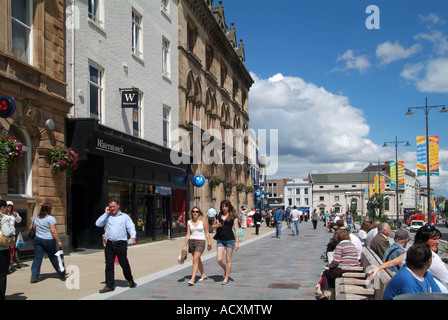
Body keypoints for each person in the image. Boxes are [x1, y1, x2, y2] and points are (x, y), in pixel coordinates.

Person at [95, 199, 137, 293]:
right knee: (109, 265)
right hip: (110, 244)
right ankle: (109, 285)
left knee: (124, 263)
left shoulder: (124, 217)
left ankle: (130, 280)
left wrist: (133, 236)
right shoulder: (107, 216)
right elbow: (98, 224)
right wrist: (105, 213)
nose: (112, 208)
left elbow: (131, 227)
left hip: (121, 244)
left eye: (113, 206)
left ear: (118, 206)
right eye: (110, 207)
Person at [318, 229, 360, 300]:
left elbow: (336, 261)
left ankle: (325, 293)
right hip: (354, 269)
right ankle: (332, 294)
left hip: (343, 269)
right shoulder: (352, 245)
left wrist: (330, 265)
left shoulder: (340, 245)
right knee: (332, 274)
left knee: (325, 273)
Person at [30, 203, 66, 284]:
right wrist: (59, 241)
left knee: (37, 258)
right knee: (53, 257)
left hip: (38, 239)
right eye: (51, 208)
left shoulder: (36, 217)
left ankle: (34, 276)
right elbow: (53, 231)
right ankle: (61, 273)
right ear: (48, 210)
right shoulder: (50, 218)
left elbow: (33, 227)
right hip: (48, 240)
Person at [182, 207, 212, 286]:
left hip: (200, 242)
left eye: (197, 211)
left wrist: (209, 242)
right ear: (191, 213)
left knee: (195, 260)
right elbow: (188, 234)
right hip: (192, 242)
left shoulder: (203, 221)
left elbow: (207, 233)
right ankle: (202, 274)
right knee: (197, 260)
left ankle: (192, 279)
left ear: (199, 213)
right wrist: (184, 246)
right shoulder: (189, 222)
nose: (195, 213)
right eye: (193, 211)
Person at [213, 200, 239, 285]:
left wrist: (237, 242)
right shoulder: (218, 215)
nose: (224, 208)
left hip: (230, 240)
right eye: (223, 206)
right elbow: (212, 227)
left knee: (228, 259)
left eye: (226, 206)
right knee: (219, 259)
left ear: (229, 207)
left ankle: (226, 277)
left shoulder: (233, 216)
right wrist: (217, 225)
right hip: (220, 239)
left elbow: (236, 229)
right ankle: (225, 269)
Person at [0, 199, 15, 300]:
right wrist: (12, 228)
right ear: (2, 208)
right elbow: (7, 233)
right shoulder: (4, 218)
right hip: (2, 249)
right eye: (5, 208)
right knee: (1, 275)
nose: (6, 210)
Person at [6, 201, 22, 271]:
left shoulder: (14, 214)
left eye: (11, 206)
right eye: (8, 206)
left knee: (11, 250)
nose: (9, 207)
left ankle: (10, 263)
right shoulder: (3, 214)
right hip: (4, 234)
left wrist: (16, 215)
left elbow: (19, 220)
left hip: (12, 234)